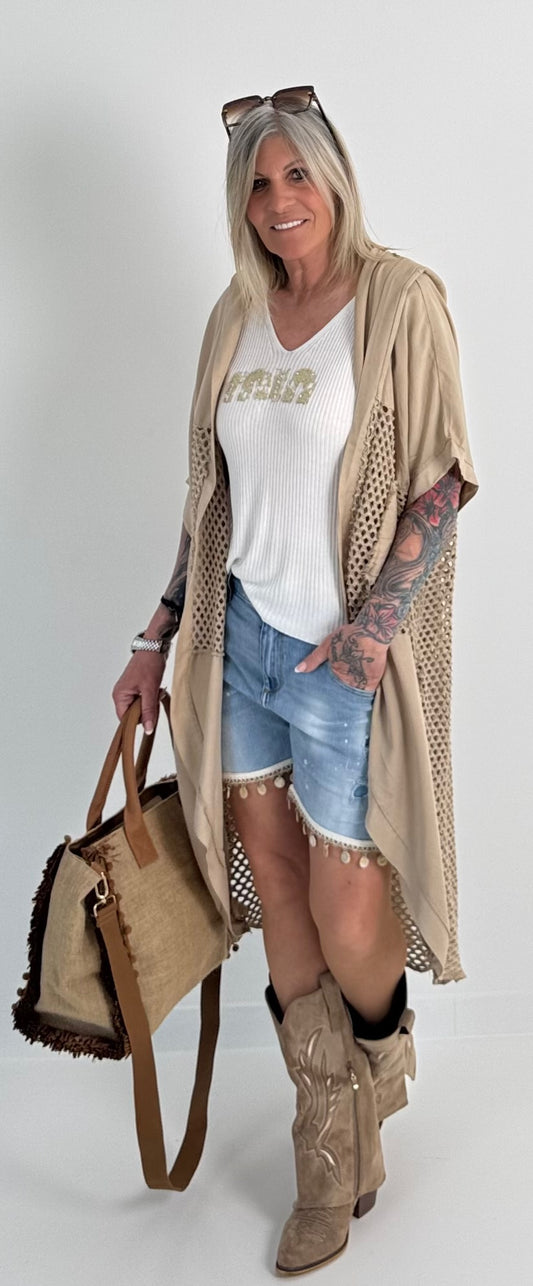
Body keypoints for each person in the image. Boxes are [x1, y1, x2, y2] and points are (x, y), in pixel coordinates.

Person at [112, 87, 479, 1277]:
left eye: (295, 177)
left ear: (333, 178)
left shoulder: (398, 301)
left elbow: (439, 479)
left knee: (350, 909)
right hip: (240, 646)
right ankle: (327, 1148)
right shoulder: (236, 314)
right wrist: (158, 632)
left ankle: (376, 1067)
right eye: (257, 184)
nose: (278, 203)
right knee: (275, 890)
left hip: (336, 663)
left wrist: (372, 629)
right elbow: (208, 496)